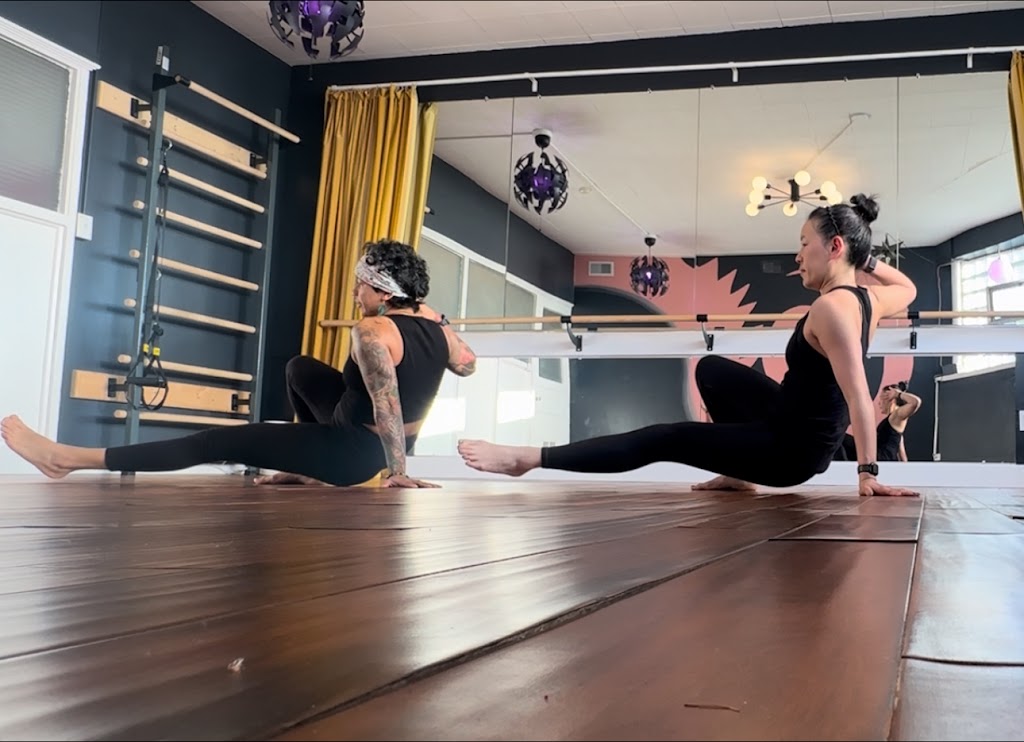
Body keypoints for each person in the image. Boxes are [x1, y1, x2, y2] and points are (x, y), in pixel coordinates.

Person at [458, 194, 919, 498]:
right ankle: (738, 474)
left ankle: (527, 459)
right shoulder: (869, 299)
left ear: (833, 247)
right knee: (712, 369)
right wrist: (861, 257)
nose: (798, 255)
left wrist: (868, 474)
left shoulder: (832, 309)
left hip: (791, 453)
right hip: (791, 419)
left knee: (666, 438)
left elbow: (858, 395)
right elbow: (909, 288)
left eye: (804, 244)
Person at [2, 239, 478, 488]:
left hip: (352, 452)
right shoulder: (440, 332)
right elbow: (467, 365)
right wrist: (439, 320)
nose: (356, 293)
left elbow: (386, 406)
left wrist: (396, 472)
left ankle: (66, 459)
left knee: (214, 442)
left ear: (383, 292)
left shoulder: (372, 332)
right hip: (360, 434)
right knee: (300, 368)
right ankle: (304, 465)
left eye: (361, 285)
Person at [835, 382, 922, 462]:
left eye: (882, 399)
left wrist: (897, 394)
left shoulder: (896, 416)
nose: (879, 403)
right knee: (842, 438)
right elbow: (902, 453)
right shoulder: (894, 423)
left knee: (840, 437)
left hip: (882, 458)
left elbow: (915, 402)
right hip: (878, 456)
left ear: (892, 400)